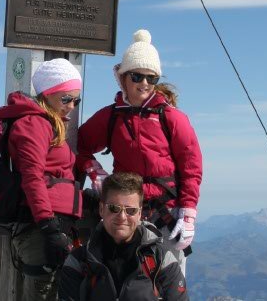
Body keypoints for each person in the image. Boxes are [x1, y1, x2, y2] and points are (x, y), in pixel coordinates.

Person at [77, 29, 202, 276]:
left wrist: (187, 214)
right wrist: (94, 170)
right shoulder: (111, 116)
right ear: (123, 77)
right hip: (125, 211)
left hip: (166, 211)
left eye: (151, 78)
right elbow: (78, 145)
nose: (144, 83)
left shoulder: (171, 118)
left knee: (167, 279)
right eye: (137, 76)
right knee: (126, 278)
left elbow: (191, 166)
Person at [0, 58, 84, 300]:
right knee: (42, 292)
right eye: (66, 99)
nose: (72, 106)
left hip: (52, 224)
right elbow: (32, 177)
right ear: (48, 94)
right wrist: (48, 227)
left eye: (76, 99)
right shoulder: (33, 123)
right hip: (39, 228)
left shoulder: (49, 124)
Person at [59, 172, 189, 300]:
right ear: (101, 209)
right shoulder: (79, 262)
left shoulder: (161, 260)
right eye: (114, 208)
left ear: (139, 214)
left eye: (130, 211)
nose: (122, 217)